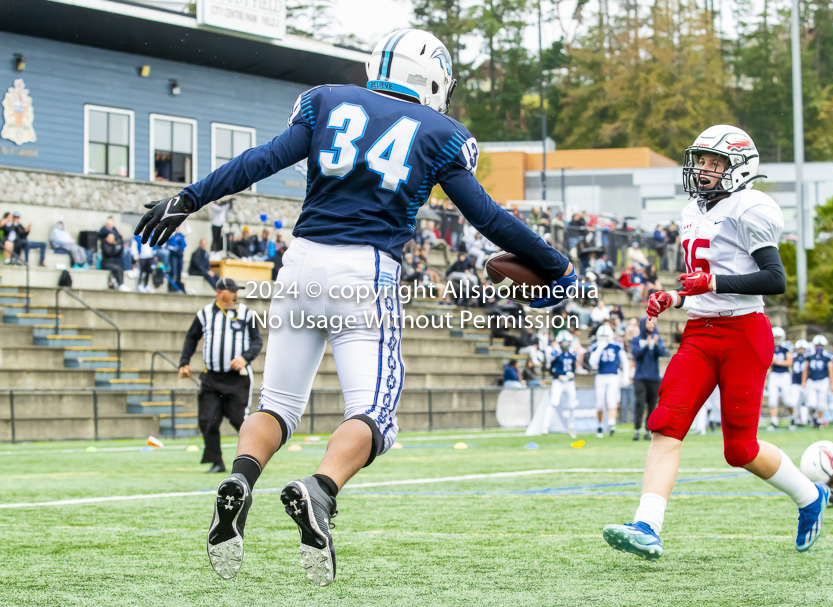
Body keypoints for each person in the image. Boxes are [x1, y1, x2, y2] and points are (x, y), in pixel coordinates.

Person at [134, 29, 575, 586]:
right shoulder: (441, 133)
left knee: (277, 403)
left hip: (299, 263)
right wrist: (556, 264)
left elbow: (262, 160)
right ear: (433, 78)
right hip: (364, 273)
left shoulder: (327, 100)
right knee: (373, 415)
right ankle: (319, 490)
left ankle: (242, 479)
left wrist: (189, 196)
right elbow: (486, 219)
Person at [602, 125, 828, 562]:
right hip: (700, 333)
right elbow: (704, 276)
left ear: (739, 169)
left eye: (715, 163)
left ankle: (809, 497)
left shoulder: (752, 207)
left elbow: (773, 279)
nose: (704, 170)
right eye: (701, 161)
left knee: (739, 450)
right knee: (665, 423)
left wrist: (712, 281)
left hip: (745, 333)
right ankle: (647, 525)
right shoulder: (692, 210)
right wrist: (678, 295)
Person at [179, 277, 263, 473]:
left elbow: (257, 341)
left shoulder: (246, 314)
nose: (235, 294)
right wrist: (184, 362)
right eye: (231, 290)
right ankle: (216, 461)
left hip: (237, 378)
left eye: (236, 290)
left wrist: (245, 357)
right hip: (211, 378)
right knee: (208, 421)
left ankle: (253, 458)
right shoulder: (205, 314)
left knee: (238, 420)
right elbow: (191, 338)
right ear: (219, 292)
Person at [631, 316, 669, 441]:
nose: (651, 325)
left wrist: (656, 345)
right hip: (640, 377)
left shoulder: (657, 338)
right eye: (649, 322)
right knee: (640, 404)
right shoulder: (636, 340)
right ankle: (637, 430)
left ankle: (648, 430)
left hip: (653, 377)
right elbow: (636, 355)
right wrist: (647, 346)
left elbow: (661, 353)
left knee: (652, 405)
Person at [589, 324, 629, 438]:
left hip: (613, 375)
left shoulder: (617, 345)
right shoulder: (596, 345)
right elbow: (593, 363)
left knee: (612, 399)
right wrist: (600, 348)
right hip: (600, 375)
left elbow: (625, 361)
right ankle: (600, 425)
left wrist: (625, 376)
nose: (604, 338)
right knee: (599, 403)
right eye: (602, 336)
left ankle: (611, 423)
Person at [802, 334, 833, 429]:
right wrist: (804, 381)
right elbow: (806, 369)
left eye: (820, 346)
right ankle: (814, 417)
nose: (819, 348)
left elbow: (831, 370)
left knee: (821, 403)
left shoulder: (827, 356)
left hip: (823, 381)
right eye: (817, 346)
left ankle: (819, 421)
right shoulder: (810, 356)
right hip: (812, 381)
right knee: (811, 403)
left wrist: (832, 384)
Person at [545, 340, 578, 437]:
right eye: (563, 343)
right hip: (558, 381)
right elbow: (550, 368)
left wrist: (572, 374)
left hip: (569, 382)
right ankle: (545, 426)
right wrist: (559, 376)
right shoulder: (556, 354)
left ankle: (571, 427)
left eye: (566, 343)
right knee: (553, 403)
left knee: (572, 404)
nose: (565, 345)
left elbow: (573, 368)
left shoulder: (572, 354)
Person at [766, 327, 793, 431]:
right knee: (773, 399)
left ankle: (792, 418)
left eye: (778, 337)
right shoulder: (769, 346)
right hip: (774, 374)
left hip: (784, 374)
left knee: (787, 399)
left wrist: (777, 362)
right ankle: (774, 421)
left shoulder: (786, 347)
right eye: (775, 337)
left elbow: (789, 362)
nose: (777, 339)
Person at [788, 339, 809, 430]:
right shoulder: (793, 357)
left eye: (803, 348)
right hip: (795, 383)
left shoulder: (808, 357)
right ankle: (793, 419)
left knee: (807, 402)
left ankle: (808, 419)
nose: (801, 350)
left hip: (806, 384)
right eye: (800, 348)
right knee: (793, 402)